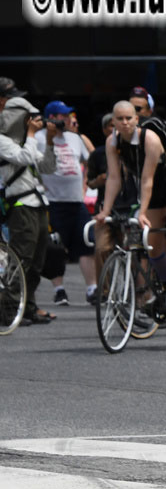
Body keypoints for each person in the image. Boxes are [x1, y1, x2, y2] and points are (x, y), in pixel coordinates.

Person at [97, 100, 166, 313]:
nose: (124, 123)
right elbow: (114, 178)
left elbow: (147, 179)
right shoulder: (111, 142)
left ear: (136, 119)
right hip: (152, 187)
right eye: (119, 119)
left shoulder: (149, 138)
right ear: (113, 121)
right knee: (153, 246)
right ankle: (164, 288)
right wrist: (105, 210)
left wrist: (141, 212)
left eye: (128, 118)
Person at [0, 93, 54, 324]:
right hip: (21, 206)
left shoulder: (28, 142)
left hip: (38, 205)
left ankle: (28, 305)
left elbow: (49, 167)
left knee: (38, 260)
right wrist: (32, 135)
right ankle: (8, 309)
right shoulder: (3, 141)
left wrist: (50, 140)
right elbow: (24, 158)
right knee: (21, 258)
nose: (33, 122)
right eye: (28, 118)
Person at [36, 99, 95, 306]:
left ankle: (92, 289)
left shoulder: (75, 138)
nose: (68, 119)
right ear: (51, 118)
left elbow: (90, 161)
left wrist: (86, 183)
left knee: (87, 243)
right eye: (63, 116)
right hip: (53, 200)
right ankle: (59, 289)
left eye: (69, 115)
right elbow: (39, 167)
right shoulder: (39, 138)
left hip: (76, 200)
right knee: (56, 247)